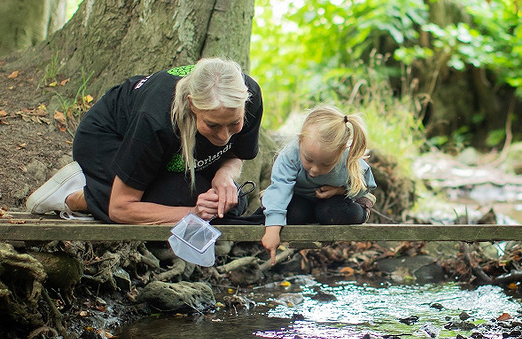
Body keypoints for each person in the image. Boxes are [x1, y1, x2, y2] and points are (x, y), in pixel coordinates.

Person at [26, 58, 263, 224]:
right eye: (212, 125)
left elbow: (235, 154)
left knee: (231, 204)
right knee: (181, 202)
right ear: (192, 105)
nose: (223, 137)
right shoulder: (154, 119)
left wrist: (224, 177)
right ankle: (73, 196)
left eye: (234, 124)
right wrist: (192, 213)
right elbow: (121, 208)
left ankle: (115, 191)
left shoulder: (248, 95)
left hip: (169, 155)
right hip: (111, 140)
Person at [260, 105, 377, 264]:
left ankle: (358, 210)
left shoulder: (348, 158)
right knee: (293, 213)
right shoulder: (291, 154)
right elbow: (281, 186)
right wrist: (272, 229)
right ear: (300, 141)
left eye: (325, 164)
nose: (314, 170)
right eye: (308, 160)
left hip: (336, 202)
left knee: (331, 212)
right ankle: (310, 214)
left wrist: (339, 191)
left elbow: (366, 185)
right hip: (302, 199)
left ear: (341, 152)